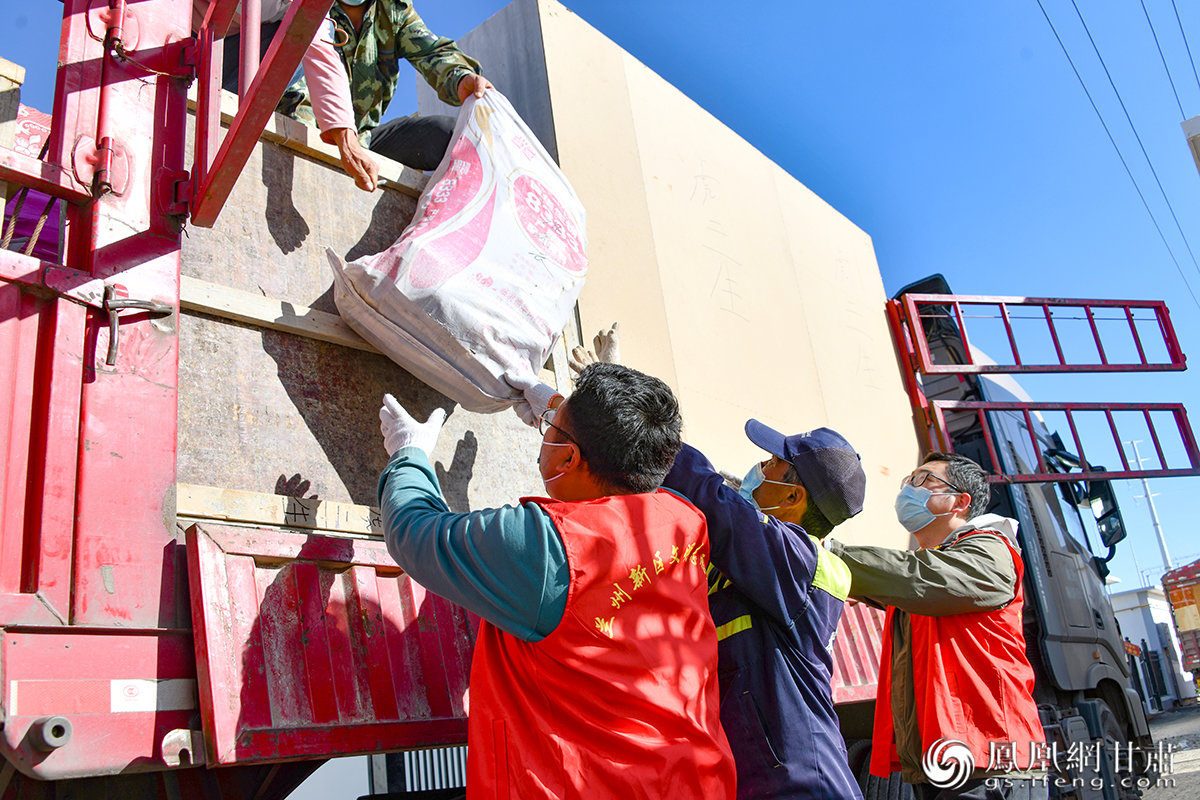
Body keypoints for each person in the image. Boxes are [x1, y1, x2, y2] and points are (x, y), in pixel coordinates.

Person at [377, 363, 736, 798]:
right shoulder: (684, 519)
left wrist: (409, 454)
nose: (545, 430)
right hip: (695, 782)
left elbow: (416, 535)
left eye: (552, 428)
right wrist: (556, 411)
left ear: (570, 457)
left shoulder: (548, 550)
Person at [662, 420, 867, 799]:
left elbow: (715, 503)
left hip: (802, 785)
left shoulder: (805, 563)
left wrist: (644, 433)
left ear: (792, 497)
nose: (760, 468)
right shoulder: (762, 565)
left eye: (772, 462)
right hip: (762, 778)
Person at [828, 453, 1047, 800]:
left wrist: (827, 552)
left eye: (925, 480)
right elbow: (892, 579)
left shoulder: (990, 552)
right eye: (909, 481)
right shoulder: (923, 573)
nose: (909, 490)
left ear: (961, 502)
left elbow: (919, 577)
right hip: (940, 763)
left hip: (990, 760)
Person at [280, 0, 494, 172]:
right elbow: (299, 92)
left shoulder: (393, 9)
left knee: (448, 136)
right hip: (303, 129)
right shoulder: (300, 5)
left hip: (362, 139)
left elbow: (430, 51)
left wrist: (460, 77)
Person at [204, 0, 380, 190]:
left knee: (301, 35)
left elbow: (323, 58)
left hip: (218, 63)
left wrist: (348, 143)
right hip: (181, 36)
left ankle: (233, 116)